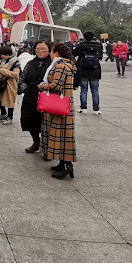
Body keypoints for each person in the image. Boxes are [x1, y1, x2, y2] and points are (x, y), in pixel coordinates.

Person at [38, 43, 77, 178]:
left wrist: (43, 85)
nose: (50, 54)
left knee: (62, 135)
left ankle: (67, 165)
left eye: (52, 51)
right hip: (63, 104)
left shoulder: (60, 66)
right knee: (61, 135)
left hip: (60, 106)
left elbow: (57, 86)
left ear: (57, 53)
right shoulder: (67, 65)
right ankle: (63, 163)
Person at [19, 41, 52, 153]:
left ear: (49, 49)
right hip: (31, 97)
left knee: (45, 123)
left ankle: (46, 147)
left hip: (47, 98)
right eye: (38, 49)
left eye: (43, 48)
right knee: (30, 121)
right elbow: (22, 79)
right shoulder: (30, 63)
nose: (40, 51)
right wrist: (25, 89)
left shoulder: (53, 64)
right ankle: (36, 142)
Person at [73, 31, 103, 114]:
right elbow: (100, 57)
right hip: (95, 71)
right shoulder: (98, 45)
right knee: (95, 91)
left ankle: (83, 108)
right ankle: (96, 109)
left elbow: (72, 54)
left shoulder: (81, 46)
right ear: (93, 37)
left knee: (83, 90)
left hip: (83, 71)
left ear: (84, 37)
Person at [0, 46, 21, 125]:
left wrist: (3, 71)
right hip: (1, 83)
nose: (1, 56)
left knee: (9, 101)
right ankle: (3, 114)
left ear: (8, 54)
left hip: (10, 84)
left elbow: (15, 74)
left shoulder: (15, 62)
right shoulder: (2, 60)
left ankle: (10, 117)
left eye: (3, 54)